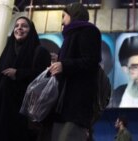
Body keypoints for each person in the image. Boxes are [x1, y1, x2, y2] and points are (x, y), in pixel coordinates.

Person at [0, 16, 51, 141]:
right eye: (16, 26)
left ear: (31, 30)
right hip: (0, 110)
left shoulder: (40, 51)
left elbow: (44, 78)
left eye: (24, 26)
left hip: (22, 114)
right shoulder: (8, 51)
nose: (19, 28)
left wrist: (19, 73)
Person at [37, 2, 102, 141]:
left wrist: (64, 65)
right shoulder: (69, 36)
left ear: (73, 15)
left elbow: (91, 61)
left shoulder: (89, 31)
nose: (62, 21)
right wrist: (58, 61)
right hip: (62, 103)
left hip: (76, 103)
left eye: (64, 16)